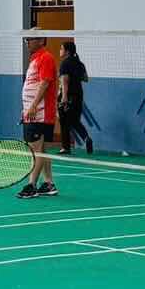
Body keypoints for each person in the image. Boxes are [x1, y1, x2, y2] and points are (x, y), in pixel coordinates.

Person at [18, 37, 59, 199]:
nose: (27, 42)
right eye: (26, 39)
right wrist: (26, 109)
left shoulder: (46, 58)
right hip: (33, 112)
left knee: (36, 151)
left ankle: (31, 185)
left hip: (40, 113)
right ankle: (48, 183)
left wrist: (33, 106)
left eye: (30, 39)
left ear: (41, 41)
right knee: (41, 150)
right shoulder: (35, 59)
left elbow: (45, 83)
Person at [58, 40, 92, 156]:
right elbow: (86, 78)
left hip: (68, 96)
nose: (60, 51)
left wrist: (64, 97)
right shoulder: (80, 63)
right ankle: (86, 137)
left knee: (64, 121)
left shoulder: (65, 63)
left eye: (61, 49)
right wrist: (76, 77)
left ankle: (65, 147)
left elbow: (65, 81)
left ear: (67, 52)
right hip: (78, 95)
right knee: (75, 120)